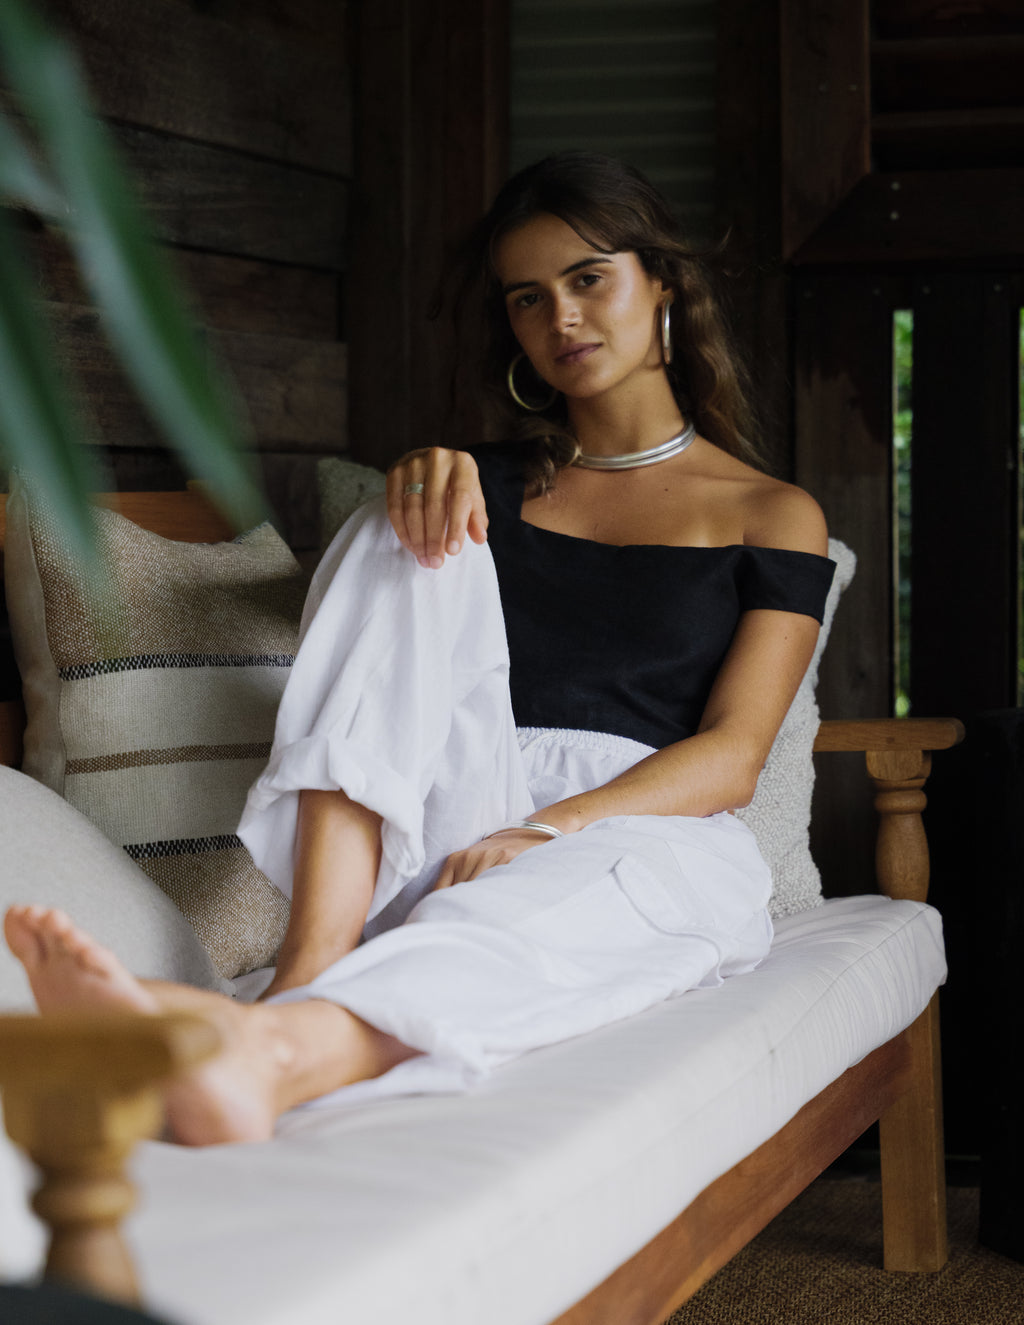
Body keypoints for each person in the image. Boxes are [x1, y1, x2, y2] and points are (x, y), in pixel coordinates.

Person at [5, 152, 834, 1146]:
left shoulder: (771, 513)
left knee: (523, 920)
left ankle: (268, 1049)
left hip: (645, 821)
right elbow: (407, 670)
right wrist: (425, 478)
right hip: (446, 797)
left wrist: (551, 828)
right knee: (405, 522)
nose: (561, 319)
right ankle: (308, 961)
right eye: (528, 298)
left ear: (662, 283)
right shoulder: (474, 486)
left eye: (587, 280)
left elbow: (735, 753)